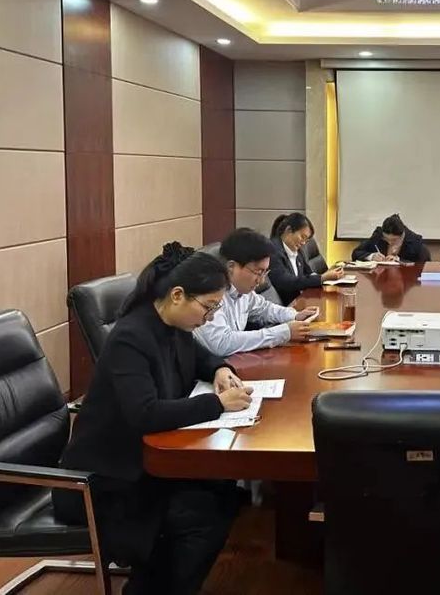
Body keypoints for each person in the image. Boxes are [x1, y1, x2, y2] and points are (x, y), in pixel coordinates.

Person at [54, 242, 252, 595]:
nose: (209, 317)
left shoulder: (174, 326)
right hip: (103, 480)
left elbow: (203, 358)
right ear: (177, 295)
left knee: (225, 492)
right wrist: (218, 404)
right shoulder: (131, 337)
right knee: (200, 515)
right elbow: (145, 413)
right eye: (208, 307)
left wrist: (221, 369)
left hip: (144, 462)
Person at [194, 228, 318, 356]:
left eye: (265, 272)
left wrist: (295, 316)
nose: (262, 280)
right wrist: (284, 332)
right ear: (231, 266)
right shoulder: (209, 295)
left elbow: (264, 308)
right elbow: (222, 343)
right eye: (258, 272)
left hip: (237, 361)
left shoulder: (243, 292)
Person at [269, 213, 344, 305]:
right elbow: (286, 282)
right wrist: (322, 278)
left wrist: (326, 277)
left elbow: (308, 273)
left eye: (306, 240)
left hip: (302, 301)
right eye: (302, 237)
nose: (303, 243)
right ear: (289, 230)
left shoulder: (297, 251)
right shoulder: (272, 251)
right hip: (288, 306)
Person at [351, 213, 430, 263]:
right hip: (381, 280)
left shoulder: (414, 241)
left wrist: (399, 261)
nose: (390, 242)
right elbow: (356, 253)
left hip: (406, 280)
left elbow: (424, 264)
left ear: (402, 235)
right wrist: (372, 256)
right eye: (386, 239)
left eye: (394, 240)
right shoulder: (378, 236)